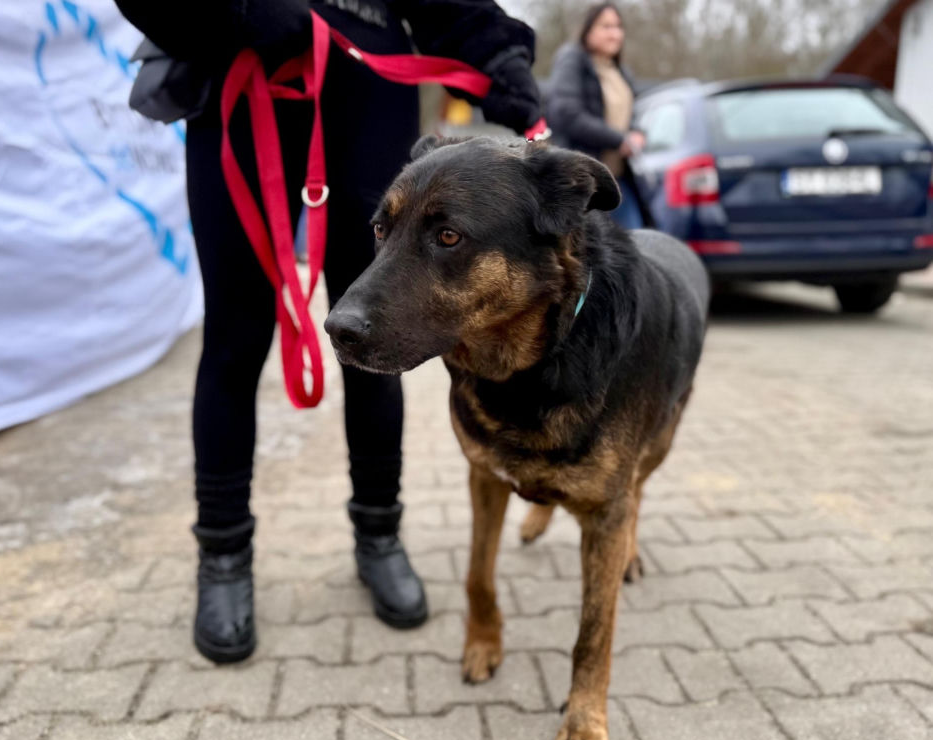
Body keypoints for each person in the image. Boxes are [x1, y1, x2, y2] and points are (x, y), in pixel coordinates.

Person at [113, 0, 540, 663]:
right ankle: (222, 553)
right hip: (239, 68)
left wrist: (497, 53)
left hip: (369, 80)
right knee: (233, 338)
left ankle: (379, 534)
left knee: (379, 334)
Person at [545, 2, 648, 229]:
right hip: (582, 180)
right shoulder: (572, 58)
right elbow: (567, 113)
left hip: (619, 178)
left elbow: (631, 113)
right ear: (588, 29)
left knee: (634, 240)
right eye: (606, 26)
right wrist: (619, 140)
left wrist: (638, 133)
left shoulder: (620, 70)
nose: (615, 34)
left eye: (618, 27)